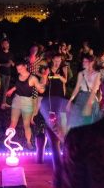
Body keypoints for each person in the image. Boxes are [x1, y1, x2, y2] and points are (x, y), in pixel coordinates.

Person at [39, 53, 67, 188]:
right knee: (51, 121)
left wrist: (58, 76)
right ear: (52, 60)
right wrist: (44, 78)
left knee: (61, 121)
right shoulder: (48, 70)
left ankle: (61, 144)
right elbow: (43, 84)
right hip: (50, 98)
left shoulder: (63, 69)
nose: (57, 62)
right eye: (55, 60)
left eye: (59, 60)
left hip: (60, 97)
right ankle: (51, 143)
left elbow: (65, 81)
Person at [6, 60, 47, 149]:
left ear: (25, 66)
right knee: (13, 123)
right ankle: (8, 142)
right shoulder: (19, 75)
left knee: (26, 124)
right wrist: (12, 90)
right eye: (17, 69)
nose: (19, 71)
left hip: (27, 102)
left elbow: (41, 90)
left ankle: (28, 142)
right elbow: (18, 85)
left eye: (20, 69)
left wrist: (44, 79)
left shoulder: (32, 78)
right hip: (16, 100)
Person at [66, 54, 102, 128]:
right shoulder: (81, 73)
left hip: (91, 99)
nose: (83, 62)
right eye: (83, 61)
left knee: (88, 123)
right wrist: (69, 101)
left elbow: (94, 90)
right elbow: (76, 88)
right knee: (77, 123)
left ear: (91, 62)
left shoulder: (97, 74)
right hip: (81, 97)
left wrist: (88, 104)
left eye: (86, 61)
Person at [0, 39, 14, 109]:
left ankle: (4, 102)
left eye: (6, 43)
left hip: (8, 73)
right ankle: (0, 103)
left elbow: (13, 64)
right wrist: (4, 64)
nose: (5, 45)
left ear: (8, 44)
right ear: (2, 45)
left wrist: (11, 63)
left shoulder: (11, 54)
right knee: (2, 89)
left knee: (6, 88)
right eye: (4, 43)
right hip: (1, 73)